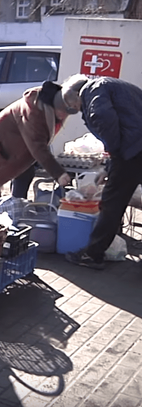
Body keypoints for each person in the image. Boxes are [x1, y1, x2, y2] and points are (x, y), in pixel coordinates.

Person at [65, 75, 142, 270]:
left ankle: (93, 254)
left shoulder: (93, 91)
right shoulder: (114, 84)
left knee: (112, 202)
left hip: (133, 152)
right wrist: (109, 166)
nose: (73, 109)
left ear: (77, 94)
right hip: (135, 147)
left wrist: (114, 157)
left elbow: (104, 120)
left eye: (71, 103)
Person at [0, 75, 88, 198]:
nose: (63, 115)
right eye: (63, 111)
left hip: (22, 141)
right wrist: (58, 174)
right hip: (5, 145)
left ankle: (15, 200)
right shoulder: (34, 111)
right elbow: (37, 146)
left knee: (32, 166)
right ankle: (16, 205)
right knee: (23, 172)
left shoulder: (55, 103)